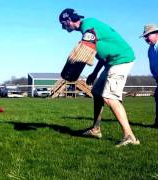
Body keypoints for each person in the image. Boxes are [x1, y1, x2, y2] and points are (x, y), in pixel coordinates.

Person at [59, 8, 139, 147]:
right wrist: (95, 73)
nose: (63, 27)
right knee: (96, 92)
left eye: (63, 23)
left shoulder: (88, 27)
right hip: (111, 62)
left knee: (109, 97)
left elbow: (87, 44)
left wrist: (74, 65)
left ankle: (130, 136)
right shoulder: (88, 28)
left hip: (122, 60)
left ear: (68, 20)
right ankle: (96, 129)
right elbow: (102, 56)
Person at [141, 24, 158, 128]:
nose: (146, 38)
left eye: (148, 35)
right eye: (145, 36)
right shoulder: (150, 49)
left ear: (156, 34)